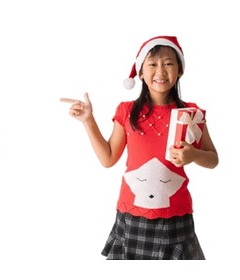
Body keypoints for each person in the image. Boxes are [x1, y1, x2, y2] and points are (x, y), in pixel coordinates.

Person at [60, 35, 218, 260]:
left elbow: (213, 159)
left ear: (180, 70)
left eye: (168, 63)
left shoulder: (191, 113)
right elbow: (108, 158)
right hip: (132, 216)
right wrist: (88, 120)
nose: (160, 71)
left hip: (176, 218)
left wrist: (193, 155)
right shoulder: (126, 111)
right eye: (152, 64)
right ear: (141, 73)